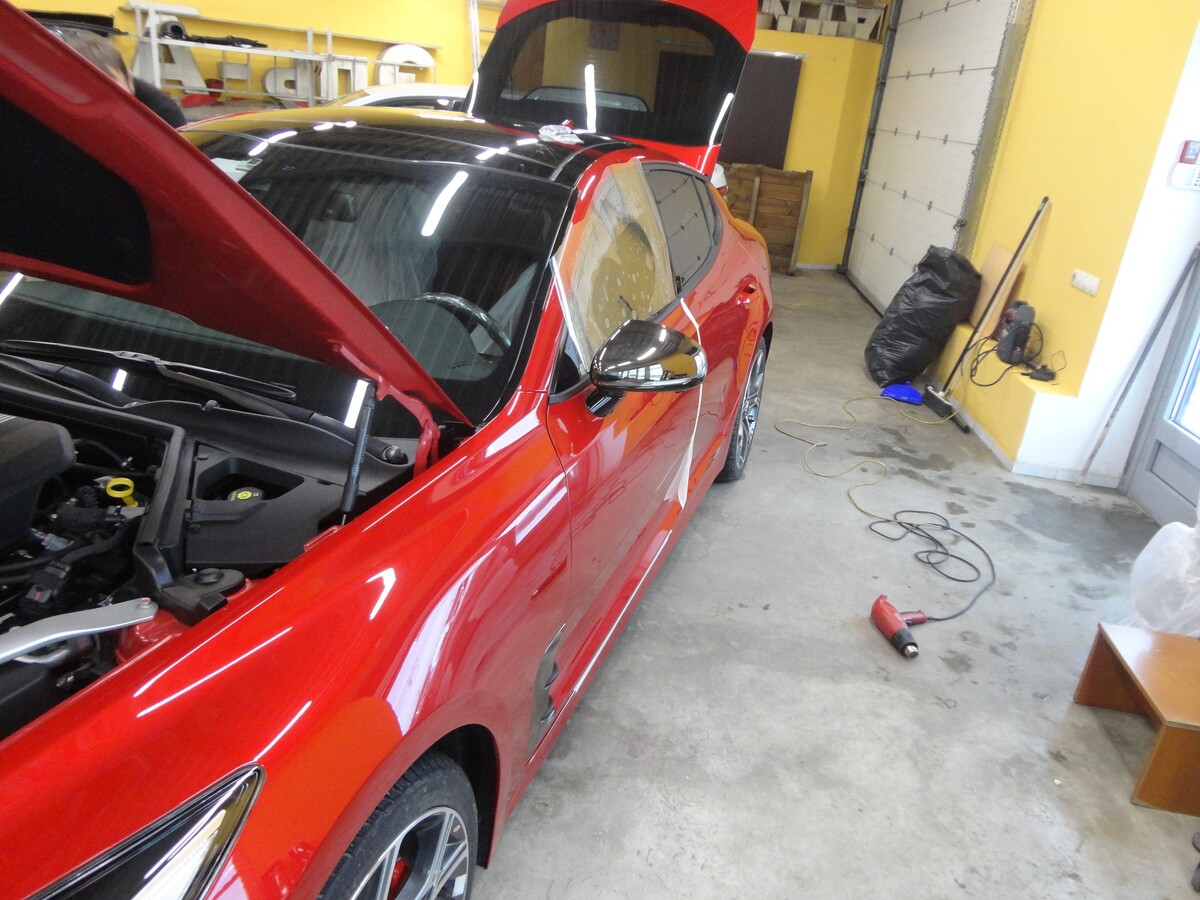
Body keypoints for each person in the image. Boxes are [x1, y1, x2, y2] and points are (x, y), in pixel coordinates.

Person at [56, 29, 186, 128]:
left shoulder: (164, 114)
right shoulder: (60, 113)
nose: (105, 103)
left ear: (129, 78)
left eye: (112, 88)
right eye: (92, 93)